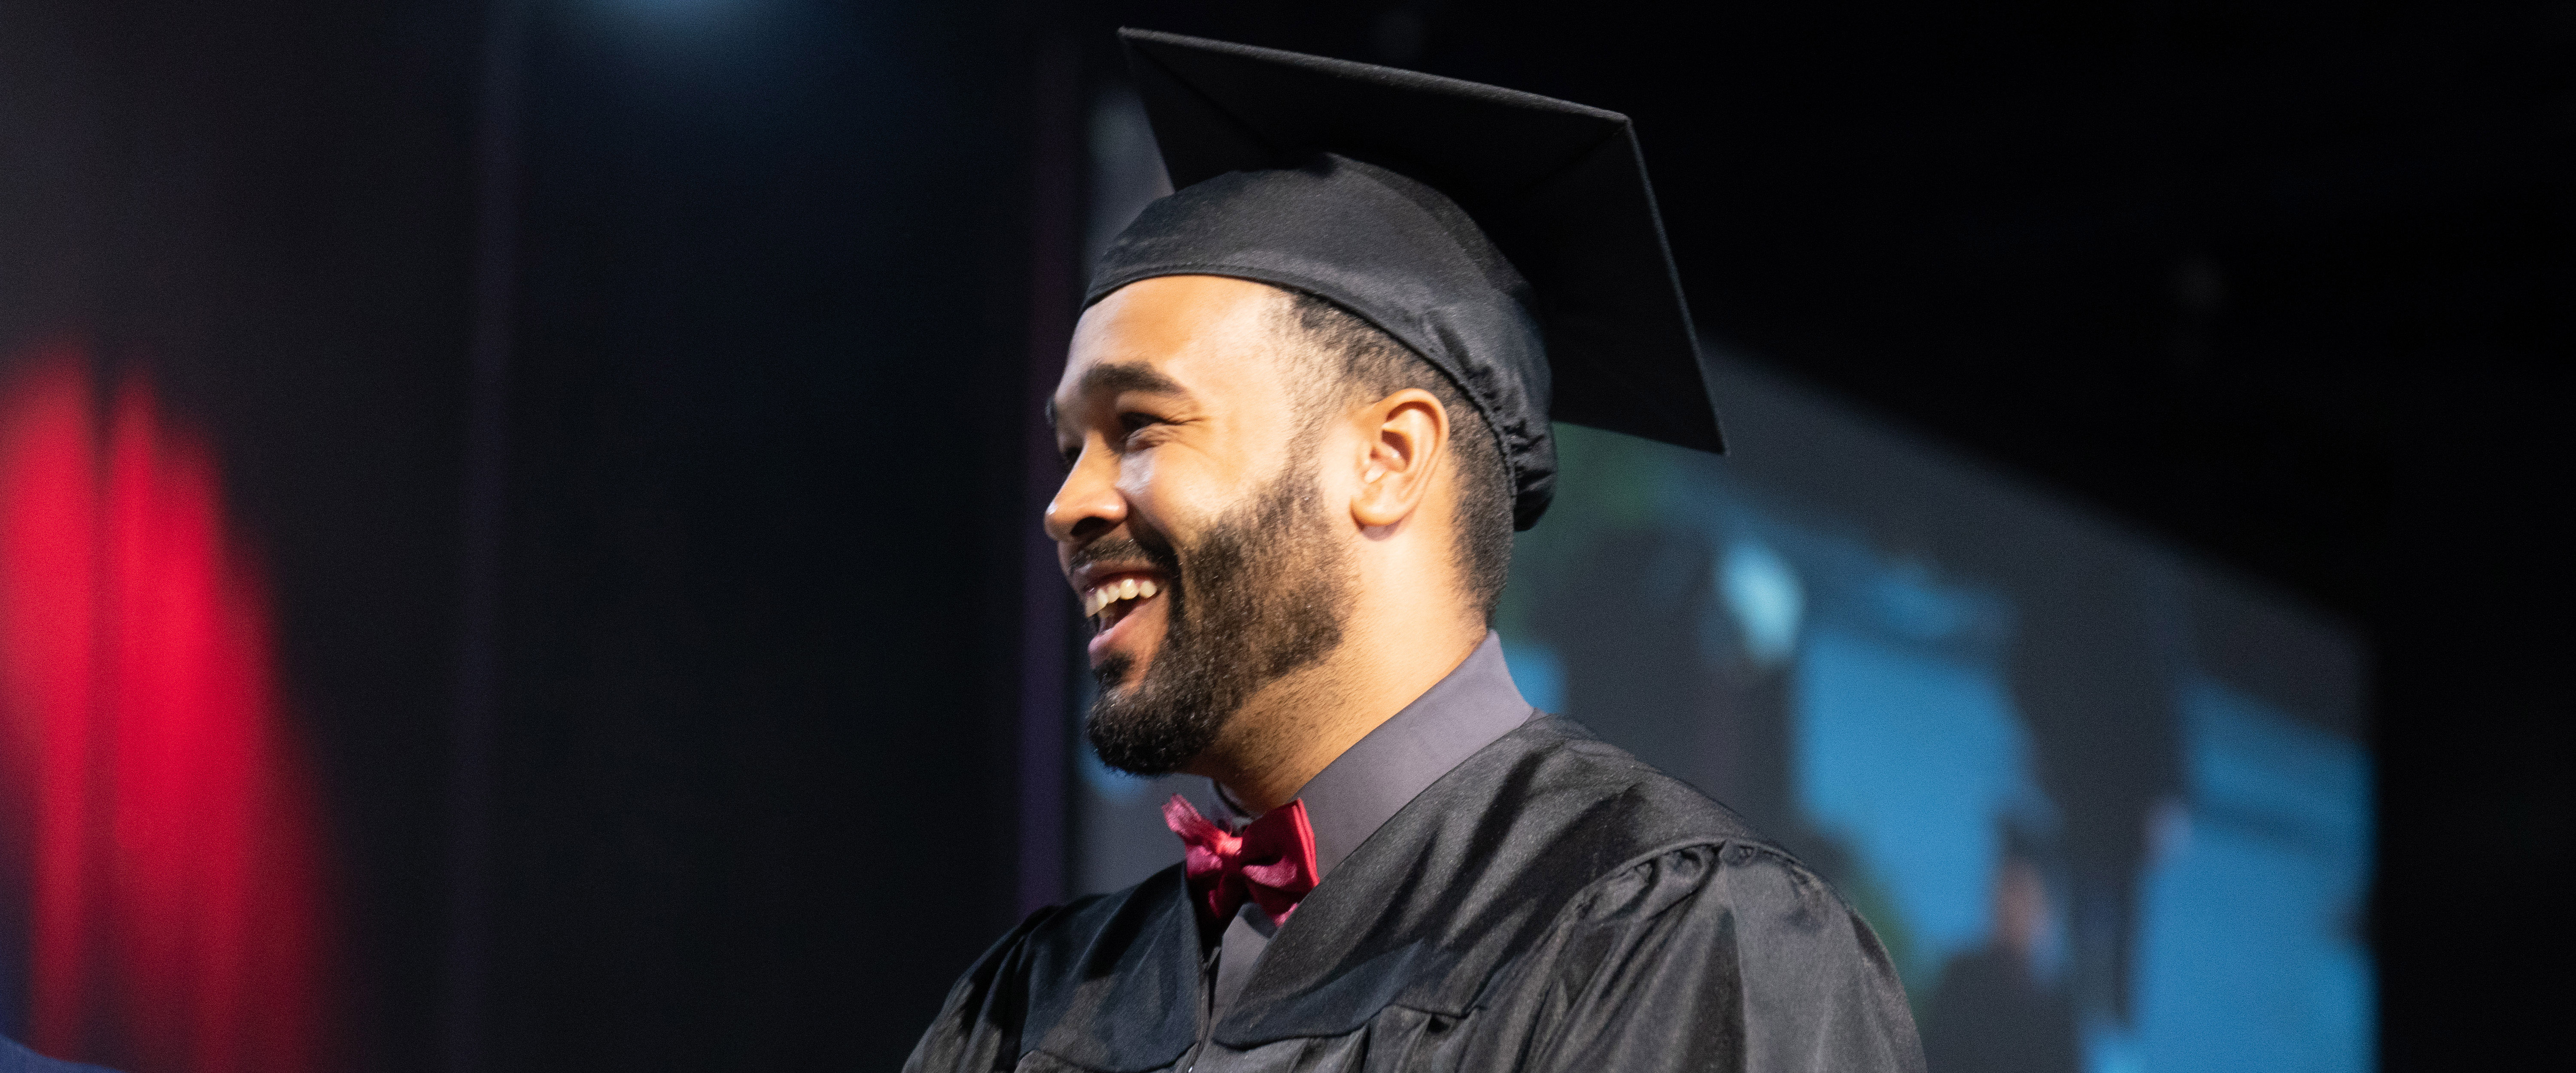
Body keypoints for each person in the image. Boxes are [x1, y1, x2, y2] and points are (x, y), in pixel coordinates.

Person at [908, 30, 1924, 1073]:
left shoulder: (1684, 942)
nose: (1065, 504)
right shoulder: (1033, 1003)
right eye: (1070, 445)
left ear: (1389, 459)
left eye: (1142, 425)